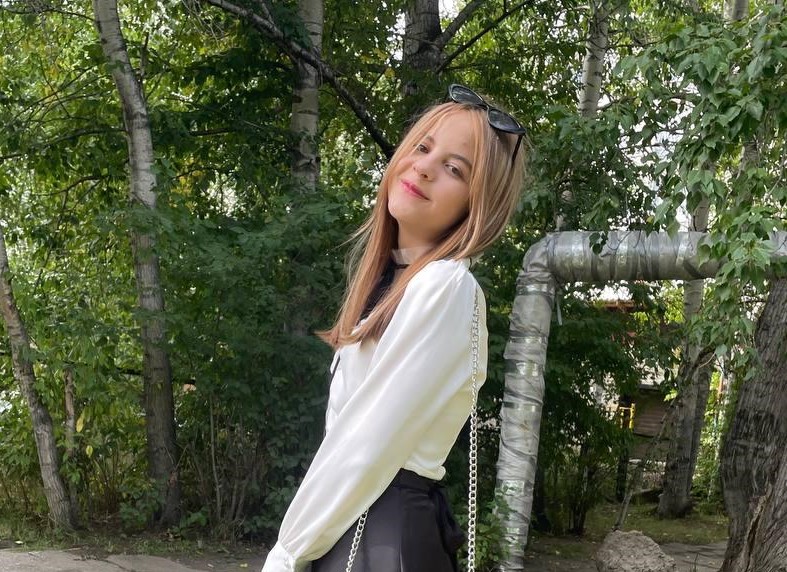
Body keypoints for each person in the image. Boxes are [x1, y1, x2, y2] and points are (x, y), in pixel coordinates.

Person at [261, 85, 527, 572]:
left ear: (477, 204)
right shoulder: (397, 284)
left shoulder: (445, 286)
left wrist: (287, 551)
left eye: (455, 169)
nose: (424, 167)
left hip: (380, 538)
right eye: (423, 147)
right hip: (356, 531)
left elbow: (366, 445)